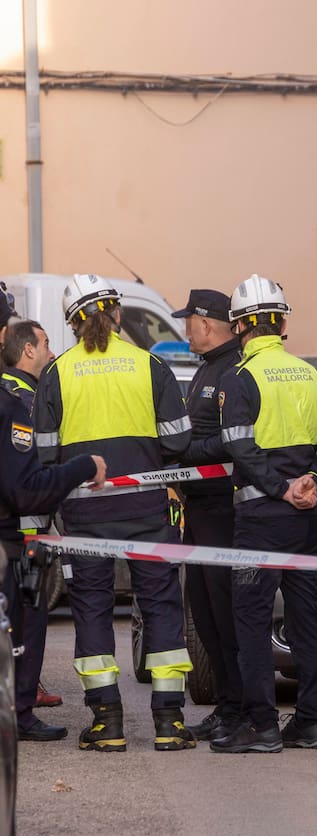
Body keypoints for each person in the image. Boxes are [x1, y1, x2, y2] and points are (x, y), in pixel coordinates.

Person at [33, 274, 195, 752]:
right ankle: (169, 724)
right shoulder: (151, 367)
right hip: (148, 511)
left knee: (92, 611)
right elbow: (179, 442)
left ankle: (108, 723)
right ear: (117, 314)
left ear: (72, 325)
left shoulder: (56, 375)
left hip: (84, 519)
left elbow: (44, 456)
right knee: (162, 606)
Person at [212, 275, 317, 753]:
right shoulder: (311, 374)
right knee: (306, 619)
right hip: (309, 518)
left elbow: (239, 447)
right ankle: (310, 723)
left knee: (250, 621)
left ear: (240, 327)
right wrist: (315, 483)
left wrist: (280, 488)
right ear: (281, 321)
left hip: (260, 519)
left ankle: (264, 726)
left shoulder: (239, 378)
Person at [171, 289, 244, 742]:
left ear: (206, 322)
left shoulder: (234, 372)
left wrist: (185, 457)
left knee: (225, 613)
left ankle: (238, 707)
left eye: (188, 321)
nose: (184, 330)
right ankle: (226, 703)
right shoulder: (204, 370)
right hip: (198, 511)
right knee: (204, 612)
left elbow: (230, 442)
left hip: (223, 509)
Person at [1, 317, 69, 725]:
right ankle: (22, 712)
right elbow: (32, 472)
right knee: (27, 622)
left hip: (20, 528)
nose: (50, 351)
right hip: (24, 530)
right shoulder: (23, 399)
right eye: (45, 343)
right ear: (28, 350)